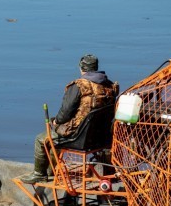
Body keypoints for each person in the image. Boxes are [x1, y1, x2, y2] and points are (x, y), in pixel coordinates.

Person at [20, 54, 119, 184]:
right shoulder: (110, 86)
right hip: (100, 137)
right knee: (56, 133)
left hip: (79, 137)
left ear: (81, 68)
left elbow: (65, 114)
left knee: (42, 139)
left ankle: (39, 174)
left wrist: (56, 121)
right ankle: (51, 170)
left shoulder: (78, 86)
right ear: (96, 68)